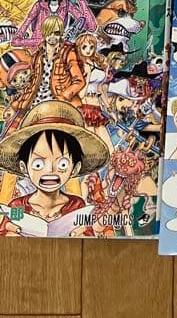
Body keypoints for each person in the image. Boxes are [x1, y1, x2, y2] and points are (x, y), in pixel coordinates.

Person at [0, 99, 109, 237]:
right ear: (24, 167)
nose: (50, 171)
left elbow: (88, 238)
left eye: (62, 164)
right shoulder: (17, 206)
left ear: (75, 168)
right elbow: (5, 233)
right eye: (38, 164)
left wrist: (82, 237)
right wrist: (9, 236)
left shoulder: (77, 206)